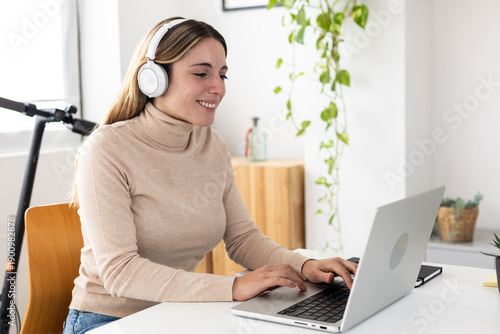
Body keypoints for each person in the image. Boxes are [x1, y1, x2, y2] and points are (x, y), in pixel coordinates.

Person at [62, 17, 357, 333]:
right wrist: (232, 287)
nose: (218, 87)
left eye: (223, 75)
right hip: (108, 321)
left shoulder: (212, 145)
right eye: (201, 74)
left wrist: (304, 265)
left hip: (178, 313)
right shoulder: (107, 149)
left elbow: (242, 238)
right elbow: (120, 272)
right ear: (153, 79)